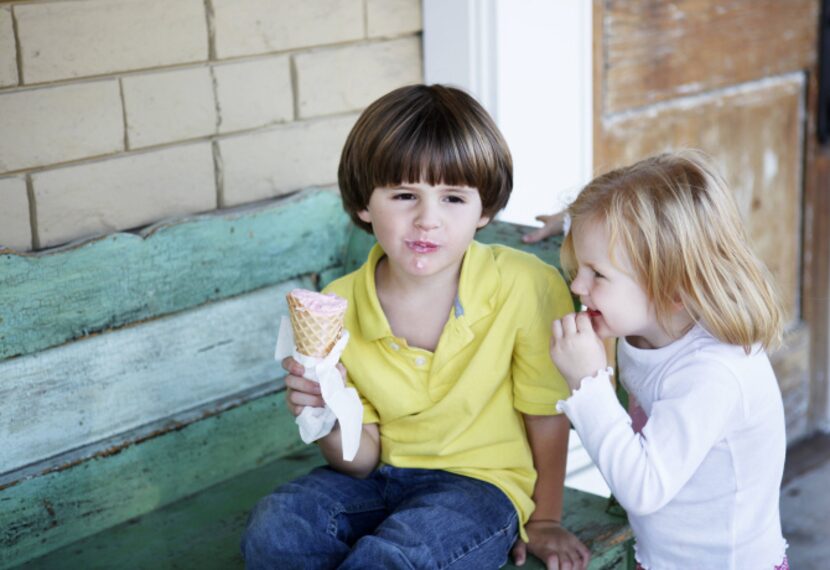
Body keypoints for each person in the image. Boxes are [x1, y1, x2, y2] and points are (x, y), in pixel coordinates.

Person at [239, 84, 590, 569]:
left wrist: (545, 520)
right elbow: (359, 458)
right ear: (365, 203)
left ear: (484, 209)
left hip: (481, 487)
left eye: (453, 198)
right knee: (277, 527)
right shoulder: (339, 305)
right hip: (377, 477)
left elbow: (546, 416)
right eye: (405, 194)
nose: (428, 220)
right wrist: (323, 413)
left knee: (401, 556)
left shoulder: (525, 285)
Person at [549, 150, 788, 569]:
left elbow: (644, 487)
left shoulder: (713, 374)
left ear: (674, 288)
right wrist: (571, 227)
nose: (578, 285)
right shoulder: (650, 318)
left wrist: (589, 384)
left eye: (596, 273)